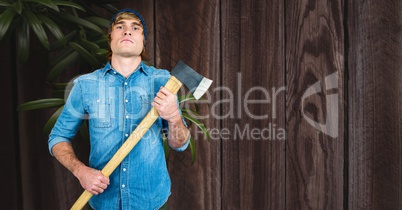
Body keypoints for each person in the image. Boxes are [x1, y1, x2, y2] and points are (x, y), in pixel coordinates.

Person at [48, 8, 190, 210]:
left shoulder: (164, 81)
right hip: (104, 202)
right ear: (110, 38)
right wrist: (81, 171)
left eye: (135, 28)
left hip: (151, 202)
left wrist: (174, 117)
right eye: (120, 26)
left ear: (143, 41)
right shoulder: (85, 85)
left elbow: (179, 143)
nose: (127, 31)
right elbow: (58, 136)